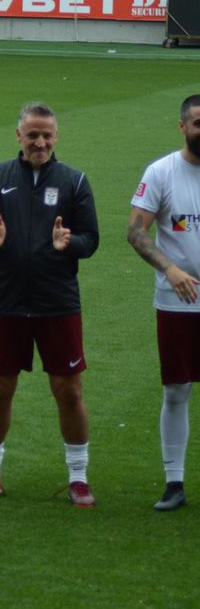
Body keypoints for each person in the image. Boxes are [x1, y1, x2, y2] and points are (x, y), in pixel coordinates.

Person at [0, 102, 100, 508]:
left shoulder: (75, 181)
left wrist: (68, 244)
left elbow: (91, 239)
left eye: (47, 135)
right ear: (18, 135)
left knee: (68, 390)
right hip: (6, 300)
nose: (40, 142)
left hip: (58, 302)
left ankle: (78, 477)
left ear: (56, 137)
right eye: (32, 135)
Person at [127, 94, 200, 512]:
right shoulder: (161, 172)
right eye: (197, 123)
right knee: (176, 391)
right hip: (178, 303)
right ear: (182, 127)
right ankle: (174, 482)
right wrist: (170, 269)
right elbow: (136, 232)